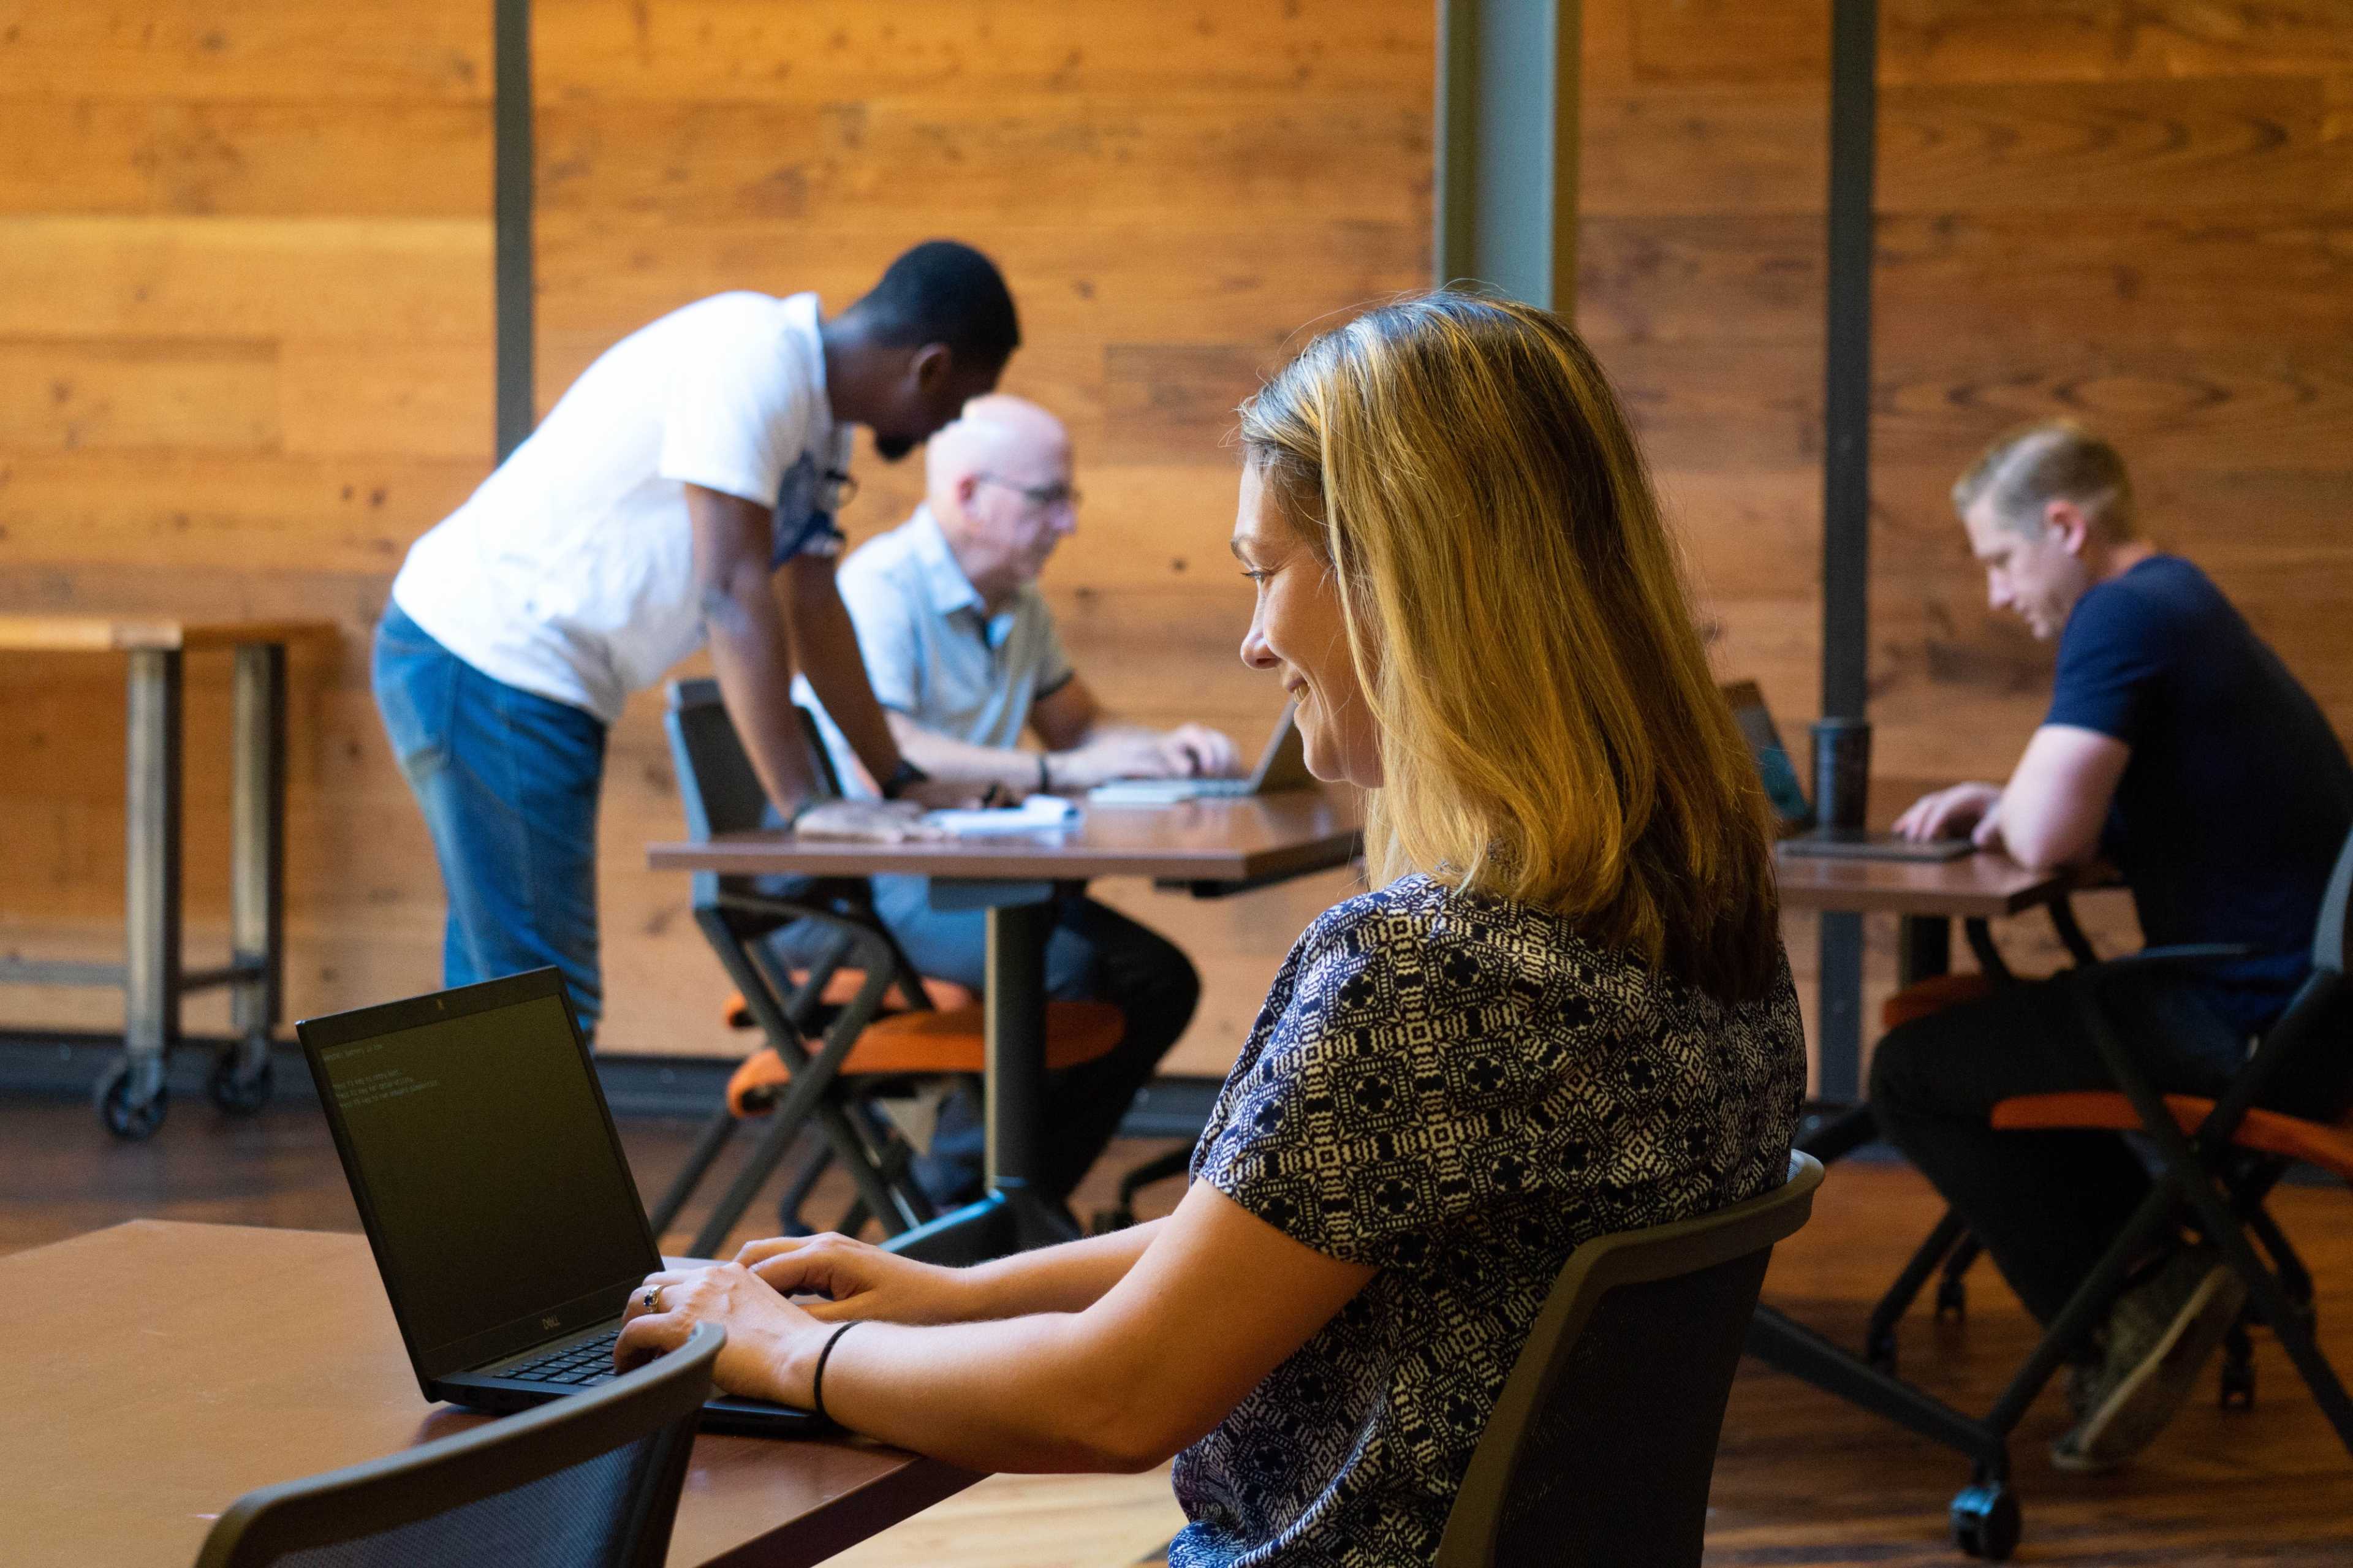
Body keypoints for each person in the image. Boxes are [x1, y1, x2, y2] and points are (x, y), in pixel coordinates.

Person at [613, 294, 1807, 1565]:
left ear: (1402, 576)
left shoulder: (1421, 975)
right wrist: (956, 1290)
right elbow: (1268, 1232)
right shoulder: (1708, 923)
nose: (1252, 641)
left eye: (1263, 573)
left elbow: (1115, 1396)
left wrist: (793, 1349)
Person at [373, 241, 1018, 1037]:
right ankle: (501, 1165)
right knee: (537, 999)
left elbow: (814, 607)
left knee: (503, 989)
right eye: (956, 406)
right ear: (929, 367)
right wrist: (806, 803)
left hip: (524, 674)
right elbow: (732, 590)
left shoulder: (818, 424)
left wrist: (898, 775)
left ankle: (461, 1165)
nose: (944, 427)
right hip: (485, 657)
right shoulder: (750, 359)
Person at [1873, 420, 2353, 1471]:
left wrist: (2013, 811)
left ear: (2065, 526)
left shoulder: (2123, 612)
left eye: (2001, 560)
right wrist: (2005, 800)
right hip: (2304, 1021)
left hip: (2249, 1027)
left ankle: (2141, 1293)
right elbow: (2085, 827)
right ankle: (2156, 1272)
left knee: (1911, 1069)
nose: (2000, 596)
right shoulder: (2183, 601)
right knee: (1996, 1038)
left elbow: (2050, 838)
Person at [790, 393, 1237, 1211]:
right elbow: (888, 752)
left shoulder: (1020, 605)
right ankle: (955, 1205)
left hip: (981, 881)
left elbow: (1079, 727)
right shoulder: (880, 587)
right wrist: (1056, 773)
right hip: (870, 885)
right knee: (1070, 970)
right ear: (967, 494)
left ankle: (1009, 1202)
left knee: (1158, 980)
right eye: (1048, 499)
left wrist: (1157, 751)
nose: (1067, 523)